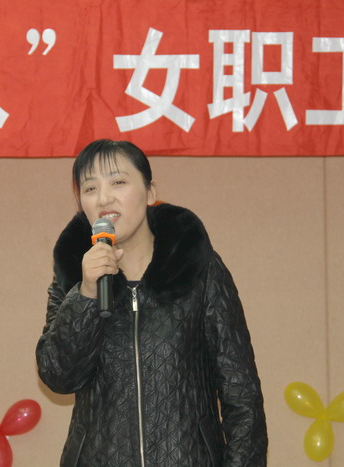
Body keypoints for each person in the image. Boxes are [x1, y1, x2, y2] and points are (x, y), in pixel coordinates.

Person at [36, 139, 267, 466]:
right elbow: (59, 376)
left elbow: (241, 396)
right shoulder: (74, 278)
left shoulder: (198, 269)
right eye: (90, 188)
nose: (104, 198)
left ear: (149, 192)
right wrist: (86, 294)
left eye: (118, 182)